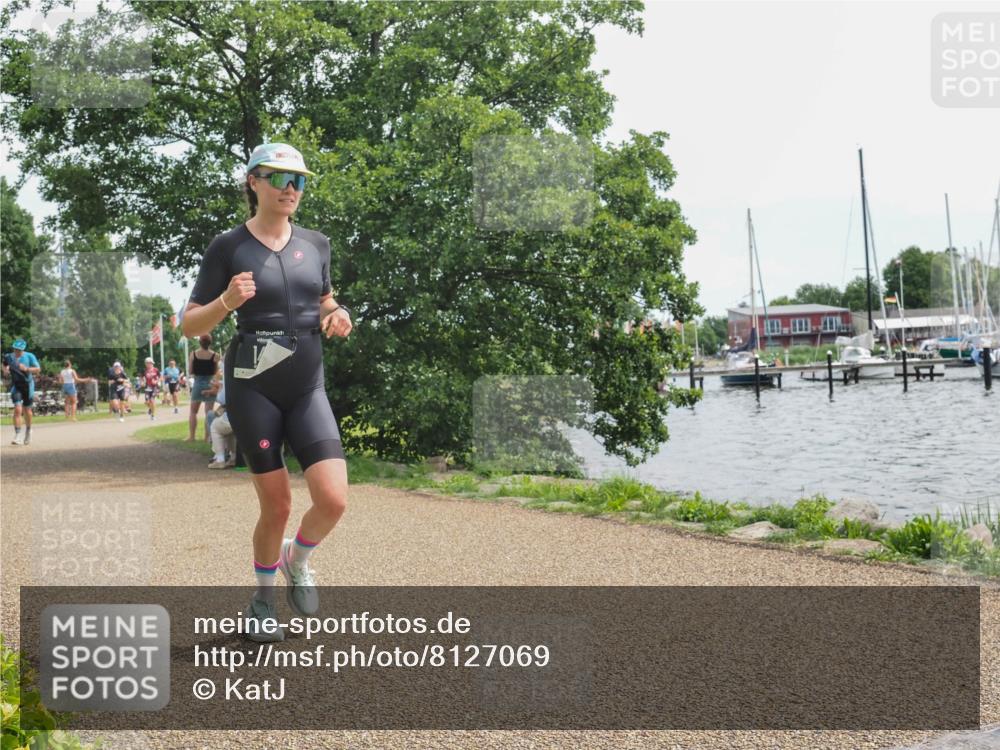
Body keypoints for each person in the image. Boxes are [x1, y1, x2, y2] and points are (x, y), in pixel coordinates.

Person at [182, 142, 352, 642]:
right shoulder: (228, 246)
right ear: (253, 181)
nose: (290, 189)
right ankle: (261, 600)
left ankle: (297, 561)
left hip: (307, 386)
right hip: (253, 388)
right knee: (275, 505)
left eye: (298, 180)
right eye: (279, 178)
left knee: (334, 499)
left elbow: (323, 299)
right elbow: (190, 325)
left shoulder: (316, 244)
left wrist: (335, 314)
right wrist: (226, 301)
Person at [3, 338, 41, 445]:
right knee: (17, 409)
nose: (17, 352)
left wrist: (27, 369)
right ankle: (18, 435)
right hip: (16, 386)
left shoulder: (30, 356)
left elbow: (38, 369)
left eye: (19, 350)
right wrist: (5, 370)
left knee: (27, 410)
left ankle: (28, 431)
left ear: (23, 350)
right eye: (15, 349)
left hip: (28, 386)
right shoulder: (9, 357)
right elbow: (4, 364)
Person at [187, 335, 219, 442]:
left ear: (200, 342)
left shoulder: (193, 354)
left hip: (197, 384)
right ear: (210, 343)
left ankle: (192, 437)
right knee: (208, 413)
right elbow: (215, 372)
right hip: (210, 383)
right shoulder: (215, 355)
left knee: (193, 411)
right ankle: (207, 437)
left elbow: (191, 371)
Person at [208, 382, 236, 469]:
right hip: (249, 419)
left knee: (215, 426)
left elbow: (221, 399)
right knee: (230, 431)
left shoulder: (229, 378)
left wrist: (220, 387)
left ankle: (219, 459)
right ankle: (234, 457)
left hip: (233, 417)